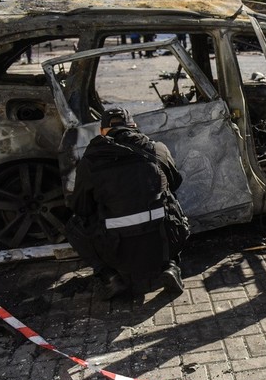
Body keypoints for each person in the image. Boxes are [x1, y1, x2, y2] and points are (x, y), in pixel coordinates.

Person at [65, 108, 190, 299]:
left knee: (74, 225)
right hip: (162, 242)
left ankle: (110, 276)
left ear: (102, 131)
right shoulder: (157, 150)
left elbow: (82, 207)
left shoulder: (91, 161)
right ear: (133, 126)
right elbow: (175, 183)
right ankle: (170, 266)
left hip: (116, 249)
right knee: (171, 200)